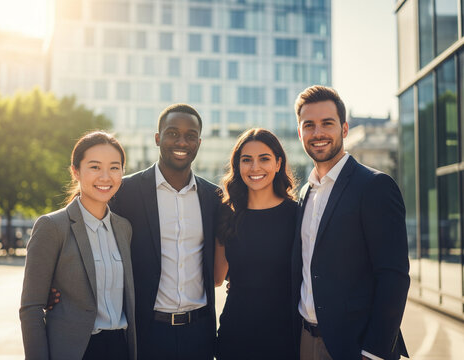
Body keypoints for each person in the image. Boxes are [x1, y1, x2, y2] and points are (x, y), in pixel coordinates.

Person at [291, 85, 410, 360]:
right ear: (300, 133)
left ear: (344, 129)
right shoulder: (304, 192)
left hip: (355, 348)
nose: (318, 133)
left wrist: (374, 353)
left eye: (327, 124)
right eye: (309, 125)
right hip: (304, 342)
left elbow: (394, 277)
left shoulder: (375, 186)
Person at [109, 104, 220, 360]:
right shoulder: (125, 192)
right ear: (158, 138)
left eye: (190, 136)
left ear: (199, 143)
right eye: (172, 133)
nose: (181, 141)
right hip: (148, 333)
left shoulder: (214, 198)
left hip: (200, 334)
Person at [20, 131, 136, 360]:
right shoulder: (52, 226)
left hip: (120, 348)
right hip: (77, 351)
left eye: (114, 167)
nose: (106, 177)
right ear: (75, 171)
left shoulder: (124, 228)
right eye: (94, 167)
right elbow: (31, 308)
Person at [214, 128, 298, 359]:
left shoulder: (297, 215)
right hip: (235, 336)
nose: (255, 168)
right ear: (237, 166)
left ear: (278, 163)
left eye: (264, 159)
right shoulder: (226, 213)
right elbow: (216, 277)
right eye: (246, 160)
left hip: (284, 339)